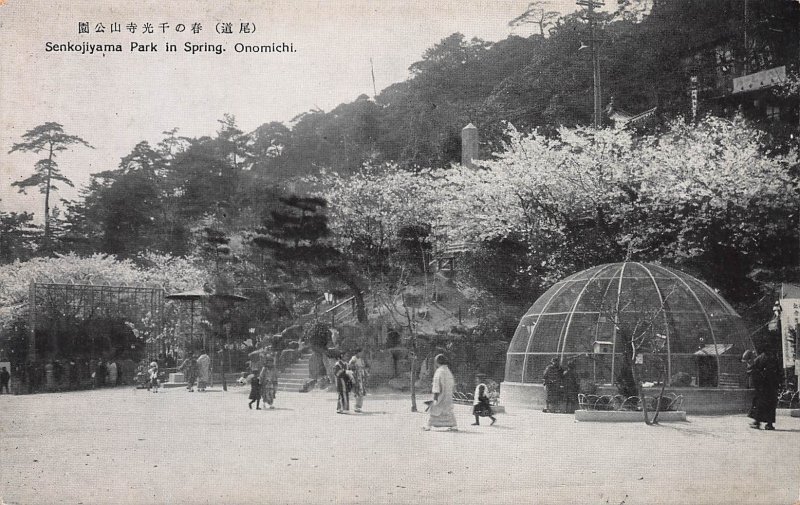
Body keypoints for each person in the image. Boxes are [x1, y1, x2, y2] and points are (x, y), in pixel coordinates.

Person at [748, 347, 781, 430]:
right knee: (770, 405)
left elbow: (752, 370)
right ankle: (769, 424)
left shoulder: (761, 357)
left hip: (762, 387)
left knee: (759, 404)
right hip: (772, 387)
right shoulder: (774, 358)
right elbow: (779, 373)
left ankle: (757, 422)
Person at [424, 354, 457, 431]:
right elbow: (452, 384)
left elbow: (436, 385)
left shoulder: (439, 372)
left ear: (437, 362)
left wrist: (435, 397)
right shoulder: (448, 371)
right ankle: (453, 425)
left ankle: (428, 425)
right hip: (448, 395)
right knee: (448, 411)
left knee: (434, 410)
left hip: (441, 395)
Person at [348, 348, 369, 413]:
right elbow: (350, 367)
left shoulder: (361, 359)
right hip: (356, 378)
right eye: (361, 352)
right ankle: (356, 406)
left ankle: (359, 406)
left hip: (361, 378)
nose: (362, 354)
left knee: (361, 392)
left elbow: (364, 367)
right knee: (357, 392)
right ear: (357, 352)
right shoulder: (353, 359)